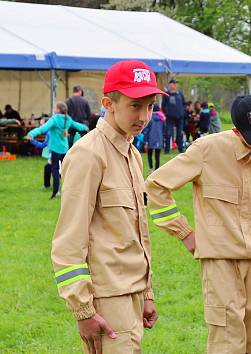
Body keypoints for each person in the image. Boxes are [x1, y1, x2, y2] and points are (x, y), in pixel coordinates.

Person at [146, 95, 251, 354]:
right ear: (236, 131)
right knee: (227, 340)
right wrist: (185, 234)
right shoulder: (206, 150)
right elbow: (156, 186)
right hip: (221, 261)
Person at [49, 60, 164, 354]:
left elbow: (138, 232)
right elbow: (68, 241)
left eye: (150, 106)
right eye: (135, 106)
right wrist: (83, 310)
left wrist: (146, 292)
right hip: (106, 297)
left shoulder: (133, 154)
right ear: (108, 104)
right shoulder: (88, 155)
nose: (144, 116)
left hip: (133, 293)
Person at [25, 101, 88, 199]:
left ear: (58, 110)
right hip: (64, 149)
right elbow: (78, 125)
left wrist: (31, 134)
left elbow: (43, 128)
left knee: (55, 170)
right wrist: (86, 127)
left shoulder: (54, 119)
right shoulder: (68, 119)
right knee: (66, 170)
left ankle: (56, 191)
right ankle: (71, 190)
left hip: (55, 149)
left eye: (55, 108)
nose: (54, 109)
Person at [161, 78, 186, 153]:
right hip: (170, 118)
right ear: (170, 85)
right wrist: (167, 113)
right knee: (168, 133)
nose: (175, 85)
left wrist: (182, 112)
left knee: (179, 134)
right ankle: (167, 149)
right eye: (174, 83)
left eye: (176, 84)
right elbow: (163, 105)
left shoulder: (180, 94)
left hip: (180, 117)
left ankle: (181, 149)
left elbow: (184, 104)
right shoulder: (166, 94)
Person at [28, 117, 52, 190]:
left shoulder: (50, 133)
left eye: (42, 125)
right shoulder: (48, 132)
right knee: (49, 168)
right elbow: (43, 145)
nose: (40, 127)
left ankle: (50, 187)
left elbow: (43, 145)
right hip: (56, 154)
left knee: (56, 171)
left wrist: (32, 141)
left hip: (57, 154)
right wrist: (33, 141)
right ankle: (47, 186)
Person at [143, 104, 166, 173]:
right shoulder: (162, 118)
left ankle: (150, 169)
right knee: (157, 156)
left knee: (149, 154)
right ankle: (157, 170)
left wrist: (145, 141)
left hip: (150, 139)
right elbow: (164, 129)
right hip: (159, 139)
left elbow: (147, 130)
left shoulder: (150, 118)